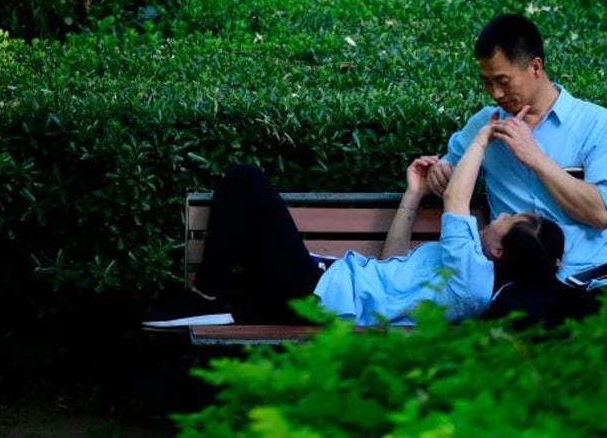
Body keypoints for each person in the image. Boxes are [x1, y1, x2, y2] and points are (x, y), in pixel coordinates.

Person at [141, 116, 565, 328]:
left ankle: (206, 300)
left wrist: (482, 136)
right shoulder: (469, 276)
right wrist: (414, 194)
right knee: (246, 208)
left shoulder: (470, 274)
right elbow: (390, 261)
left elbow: (456, 195)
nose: (502, 215)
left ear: (499, 250)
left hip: (320, 295)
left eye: (509, 220)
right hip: (321, 287)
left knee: (245, 179)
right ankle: (211, 303)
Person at [426, 13, 607, 327]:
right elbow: (449, 175)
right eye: (487, 82)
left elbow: (601, 213)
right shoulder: (486, 125)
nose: (495, 93)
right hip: (520, 280)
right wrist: (438, 173)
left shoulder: (596, 124)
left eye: (503, 81)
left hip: (592, 275)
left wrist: (535, 158)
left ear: (535, 67)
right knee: (514, 330)